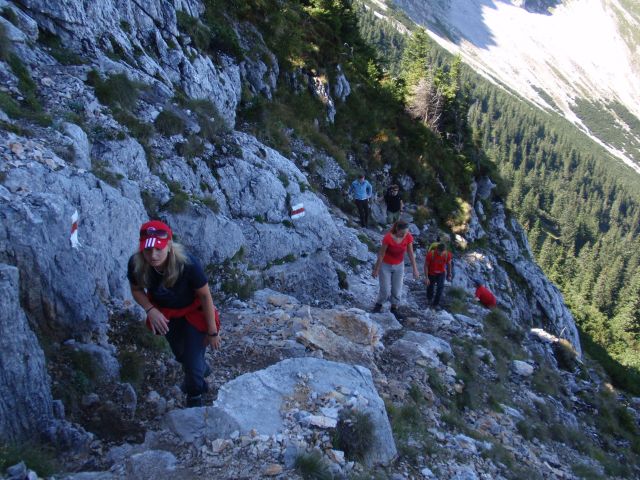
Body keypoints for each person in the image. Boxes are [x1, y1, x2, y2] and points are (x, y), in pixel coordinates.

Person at [127, 220, 221, 408]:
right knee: (181, 355)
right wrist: (150, 310)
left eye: (159, 249)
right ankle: (200, 368)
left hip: (194, 313)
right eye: (148, 250)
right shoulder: (137, 264)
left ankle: (195, 396)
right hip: (166, 315)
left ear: (169, 245)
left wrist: (212, 332)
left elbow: (205, 295)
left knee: (192, 364)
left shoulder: (188, 263)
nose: (153, 255)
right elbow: (136, 290)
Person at [372, 220, 420, 315]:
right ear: (397, 229)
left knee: (397, 290)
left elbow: (410, 253)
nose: (404, 235)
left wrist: (415, 269)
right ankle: (379, 304)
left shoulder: (408, 236)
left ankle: (394, 308)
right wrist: (376, 270)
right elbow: (381, 254)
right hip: (385, 265)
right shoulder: (388, 238)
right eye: (402, 233)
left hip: (399, 265)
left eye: (406, 233)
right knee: (385, 290)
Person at [424, 243, 453, 308]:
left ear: (445, 251)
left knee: (440, 288)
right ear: (437, 249)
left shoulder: (447, 255)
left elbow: (449, 264)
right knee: (430, 287)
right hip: (431, 273)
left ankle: (435, 304)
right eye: (440, 252)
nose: (441, 254)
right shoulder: (430, 254)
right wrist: (426, 277)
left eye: (443, 252)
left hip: (441, 273)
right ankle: (429, 299)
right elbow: (426, 266)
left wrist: (449, 274)